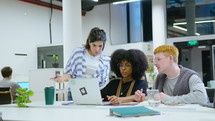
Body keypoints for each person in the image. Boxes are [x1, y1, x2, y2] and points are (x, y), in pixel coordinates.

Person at [135, 44, 208, 105]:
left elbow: (201, 98)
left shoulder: (190, 76)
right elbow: (157, 98)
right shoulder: (160, 78)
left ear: (170, 58)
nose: (155, 63)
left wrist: (169, 99)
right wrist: (145, 99)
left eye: (158, 59)